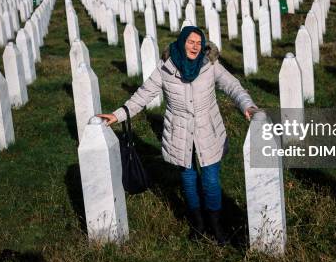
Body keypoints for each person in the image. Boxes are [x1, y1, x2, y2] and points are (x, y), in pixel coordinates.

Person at [97, 26, 257, 245]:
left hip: (207, 132)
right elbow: (143, 95)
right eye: (191, 42)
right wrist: (118, 115)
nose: (195, 47)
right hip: (179, 135)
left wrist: (247, 105)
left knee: (210, 181)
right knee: (189, 180)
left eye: (199, 42)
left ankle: (216, 224)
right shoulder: (166, 68)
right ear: (182, 42)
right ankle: (198, 223)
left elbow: (233, 86)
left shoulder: (210, 65)